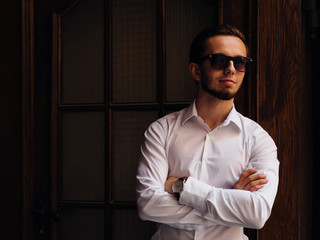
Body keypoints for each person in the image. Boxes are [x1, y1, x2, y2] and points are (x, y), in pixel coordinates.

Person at [136, 25, 279, 240]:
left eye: (240, 62)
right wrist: (233, 205)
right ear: (196, 70)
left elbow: (257, 214)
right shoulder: (161, 131)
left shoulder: (258, 140)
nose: (231, 69)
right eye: (219, 60)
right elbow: (148, 204)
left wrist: (181, 187)